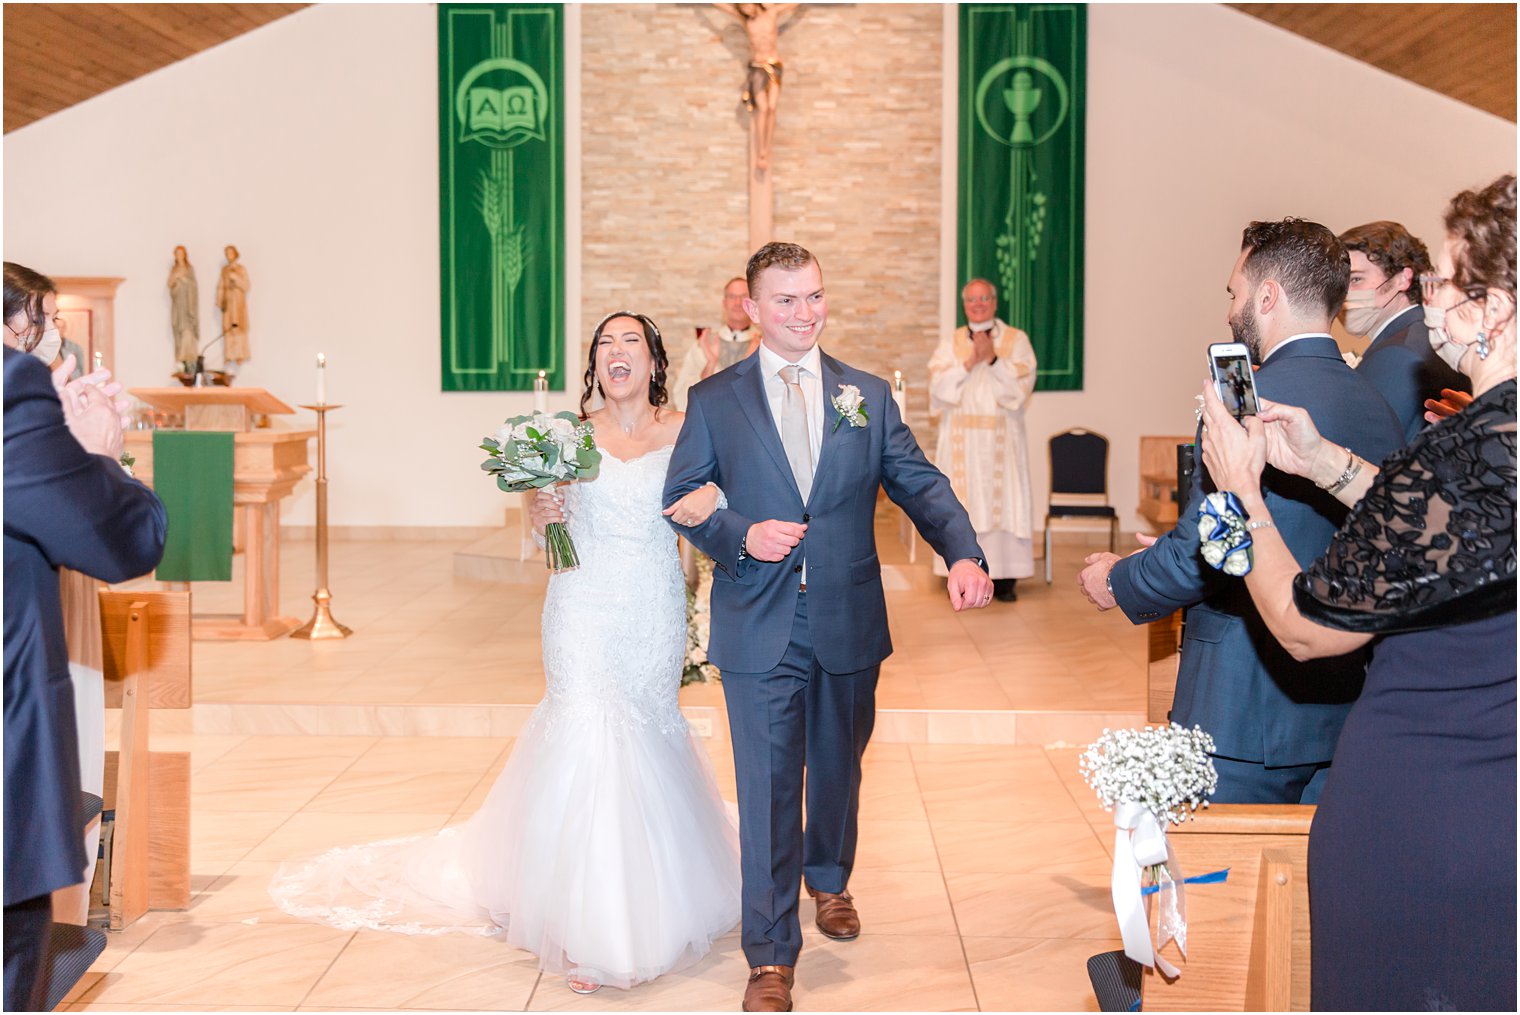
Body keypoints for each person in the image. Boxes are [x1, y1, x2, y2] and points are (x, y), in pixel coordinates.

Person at [271, 311, 739, 995]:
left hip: (652, 607)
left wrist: (711, 496)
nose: (616, 352)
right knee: (587, 732)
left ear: (654, 360)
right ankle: (593, 929)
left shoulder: (688, 431)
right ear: (595, 363)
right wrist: (540, 512)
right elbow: (544, 527)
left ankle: (650, 899)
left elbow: (720, 498)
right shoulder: (569, 437)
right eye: (605, 342)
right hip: (580, 606)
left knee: (645, 731)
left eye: (629, 341)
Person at [1197, 175, 1515, 1012]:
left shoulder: (1465, 450)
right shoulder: (1500, 450)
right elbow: (1458, 538)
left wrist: (1248, 494)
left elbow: (1308, 628)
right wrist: (1325, 462)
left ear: (1497, 310)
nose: (1431, 297)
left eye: (1446, 280)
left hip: (1420, 815)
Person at [664, 242, 992, 1012]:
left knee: (839, 766)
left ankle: (831, 877)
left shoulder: (867, 394)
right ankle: (771, 954)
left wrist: (965, 551)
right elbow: (681, 491)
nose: (805, 313)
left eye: (814, 296)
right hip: (758, 619)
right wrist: (741, 533)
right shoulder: (716, 399)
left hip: (847, 616)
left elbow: (920, 482)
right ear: (750, 306)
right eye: (786, 300)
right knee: (770, 784)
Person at [1075, 220, 1404, 803]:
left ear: (1268, 296)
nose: (1231, 311)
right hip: (1343, 705)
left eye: (1235, 293)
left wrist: (1115, 580)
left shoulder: (1245, 403)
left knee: (1220, 886)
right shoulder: (1376, 404)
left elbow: (1202, 555)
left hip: (1241, 709)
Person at [4, 262, 167, 1011]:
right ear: (15, 326)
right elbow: (121, 541)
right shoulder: (11, 390)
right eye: (40, 322)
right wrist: (94, 452)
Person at [928, 278, 1037, 601]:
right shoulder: (950, 343)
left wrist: (992, 358)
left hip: (1002, 440)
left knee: (1003, 502)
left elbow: (1019, 391)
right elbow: (938, 389)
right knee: (963, 502)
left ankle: (1005, 576)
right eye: (972, 300)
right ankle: (959, 569)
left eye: (984, 298)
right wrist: (971, 360)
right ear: (965, 305)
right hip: (961, 440)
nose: (978, 305)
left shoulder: (1017, 341)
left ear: (994, 302)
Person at [1338, 221, 1466, 440]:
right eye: (1341, 282)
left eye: (1356, 279)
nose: (1344, 293)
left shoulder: (1396, 353)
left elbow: (1373, 444)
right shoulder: (1424, 333)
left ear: (1402, 279)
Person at [714, 3, 797, 170]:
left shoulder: (772, 14)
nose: (746, 10)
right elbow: (723, 6)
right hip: (757, 68)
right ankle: (761, 151)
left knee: (772, 108)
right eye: (742, 9)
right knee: (763, 108)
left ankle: (766, 148)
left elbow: (792, 5)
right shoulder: (746, 22)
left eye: (746, 5)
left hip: (774, 66)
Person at [672, 276, 760, 410]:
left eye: (743, 296)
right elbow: (681, 395)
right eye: (732, 297)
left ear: (752, 303)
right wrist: (710, 365)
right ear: (724, 303)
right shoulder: (703, 346)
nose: (737, 303)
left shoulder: (765, 344)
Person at [215, 244, 249, 366]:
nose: (228, 255)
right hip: (228, 301)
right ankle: (229, 354)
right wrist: (219, 300)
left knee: (238, 326)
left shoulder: (241, 269)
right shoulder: (224, 270)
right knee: (227, 327)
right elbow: (220, 286)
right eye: (227, 253)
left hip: (238, 301)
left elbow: (246, 285)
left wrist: (236, 278)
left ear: (235, 254)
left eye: (230, 253)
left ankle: (239, 353)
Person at [168, 245, 200, 369]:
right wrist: (176, 279)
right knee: (180, 331)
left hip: (188, 306)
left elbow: (193, 286)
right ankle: (181, 358)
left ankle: (189, 358)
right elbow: (170, 284)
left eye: (181, 253)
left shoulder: (189, 269)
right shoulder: (174, 270)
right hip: (178, 306)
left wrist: (184, 280)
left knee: (188, 331)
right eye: (177, 253)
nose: (179, 255)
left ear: (184, 254)